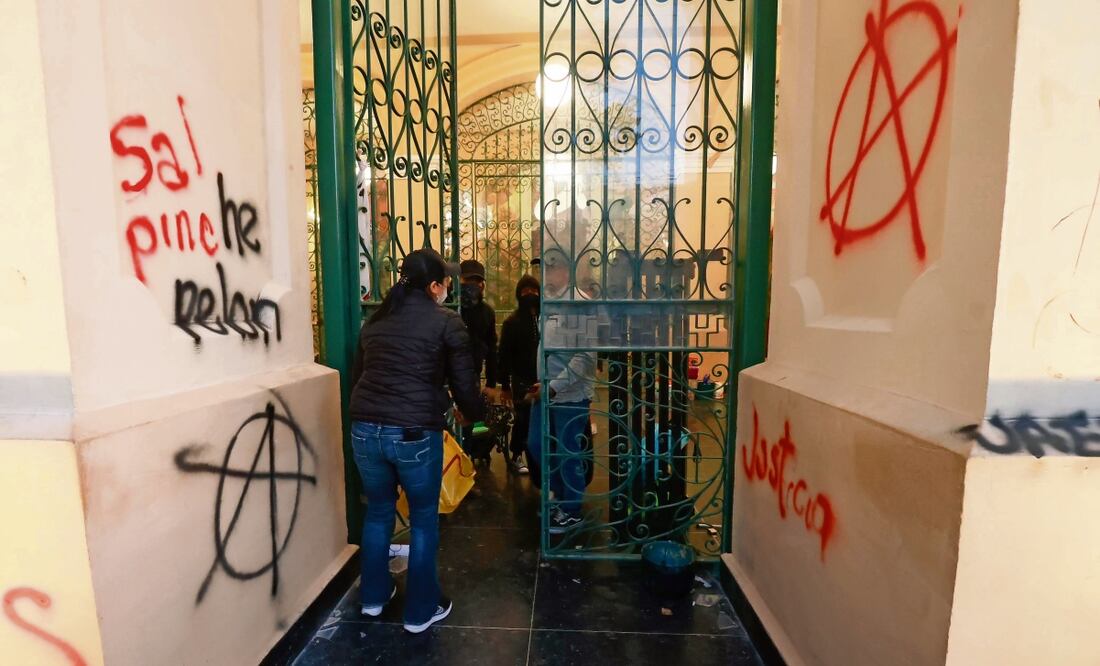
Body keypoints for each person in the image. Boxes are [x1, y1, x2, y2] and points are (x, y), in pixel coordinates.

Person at [349, 248, 486, 634]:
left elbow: (360, 376)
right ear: (433, 286)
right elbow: (464, 382)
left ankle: (373, 598)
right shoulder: (447, 322)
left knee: (378, 511)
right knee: (424, 519)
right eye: (445, 282)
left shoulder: (375, 322)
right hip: (413, 432)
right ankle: (421, 610)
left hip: (365, 429)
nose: (448, 288)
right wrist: (475, 415)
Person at [526, 247, 597, 534]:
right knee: (536, 444)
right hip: (545, 391)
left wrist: (554, 387)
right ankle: (559, 494)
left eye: (550, 267)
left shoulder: (580, 304)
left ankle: (572, 510)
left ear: (567, 270)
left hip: (569, 394)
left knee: (568, 451)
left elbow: (586, 357)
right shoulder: (550, 301)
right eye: (541, 268)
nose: (544, 273)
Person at [498, 274, 541, 475]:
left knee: (541, 419)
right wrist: (505, 385)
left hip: (544, 378)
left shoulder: (545, 319)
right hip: (522, 379)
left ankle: (538, 459)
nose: (530, 294)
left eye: (534, 291)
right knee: (523, 420)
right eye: (525, 291)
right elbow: (504, 355)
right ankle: (516, 455)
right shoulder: (512, 322)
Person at [458, 259, 499, 463]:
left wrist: (491, 383)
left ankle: (474, 457)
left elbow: (492, 349)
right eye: (468, 281)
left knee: (474, 422)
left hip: (472, 375)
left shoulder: (486, 313)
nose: (473, 285)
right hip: (446, 376)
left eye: (477, 281)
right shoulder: (450, 308)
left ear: (482, 284)